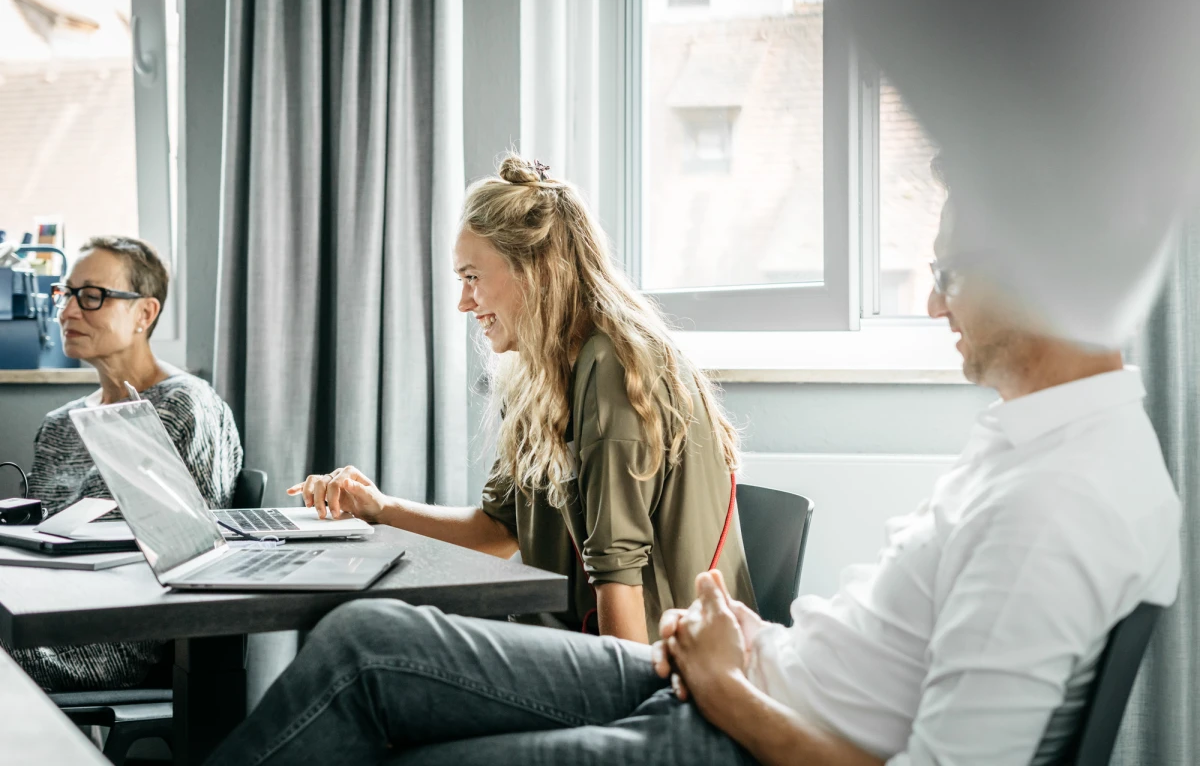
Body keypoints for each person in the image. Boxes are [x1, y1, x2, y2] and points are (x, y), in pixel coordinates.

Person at [205, 160, 1179, 766]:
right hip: (735, 677)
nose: (934, 307)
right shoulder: (1039, 445)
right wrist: (745, 641)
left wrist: (728, 691)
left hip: (730, 723)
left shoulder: (1060, 497)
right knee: (366, 635)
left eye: (946, 273)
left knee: (391, 719)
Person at [289, 155, 754, 643]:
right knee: (368, 633)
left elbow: (620, 581)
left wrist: (625, 717)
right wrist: (377, 507)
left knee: (365, 637)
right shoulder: (545, 374)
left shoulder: (613, 366)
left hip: (660, 671)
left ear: (535, 270)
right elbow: (497, 530)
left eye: (472, 277)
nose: (464, 302)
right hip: (577, 643)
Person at [7, 236, 243, 691]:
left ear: (145, 313)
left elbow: (195, 560)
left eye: (92, 296)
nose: (68, 311)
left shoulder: (184, 406)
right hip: (32, 610)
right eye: (66, 293)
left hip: (106, 636)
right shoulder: (60, 424)